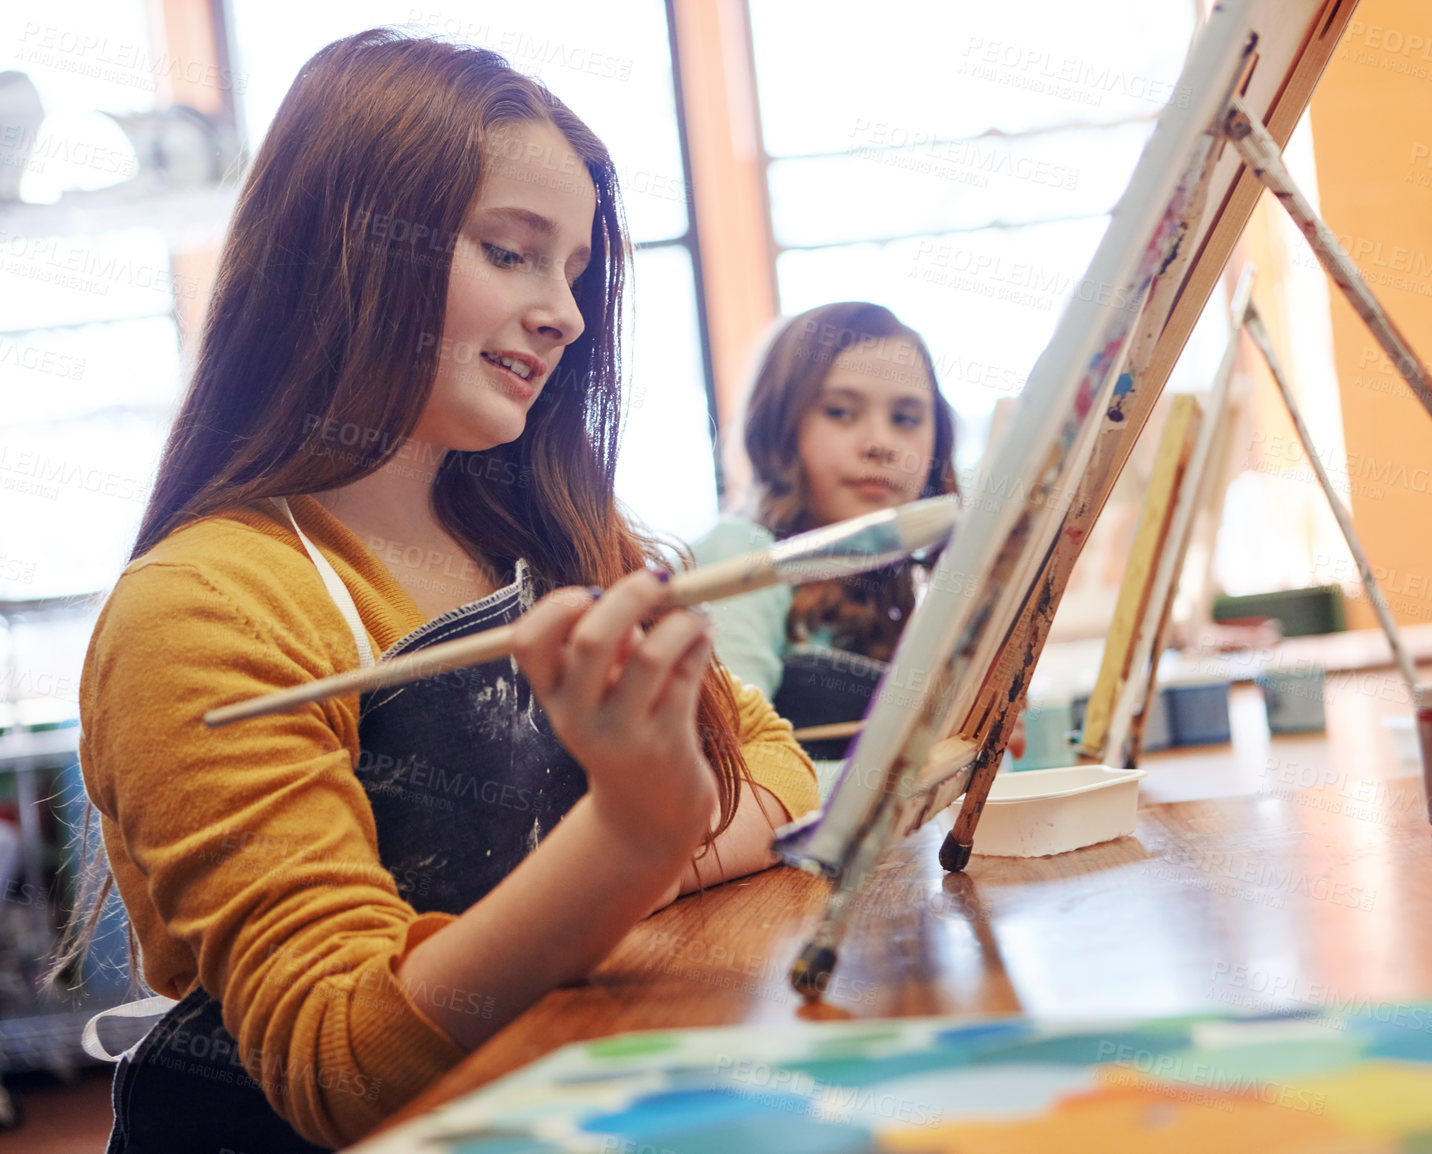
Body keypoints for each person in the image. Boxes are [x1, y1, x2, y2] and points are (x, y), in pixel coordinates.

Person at [57, 29, 816, 1153]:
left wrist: (634, 863)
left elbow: (779, 768)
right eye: (511, 253)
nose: (564, 311)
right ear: (350, 250)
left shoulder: (561, 537)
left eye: (573, 271)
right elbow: (341, 1063)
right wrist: (624, 838)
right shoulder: (202, 606)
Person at [692, 303, 959, 764]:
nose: (880, 443)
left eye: (906, 419)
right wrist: (915, 775)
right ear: (780, 427)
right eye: (840, 411)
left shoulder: (892, 589)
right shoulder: (741, 552)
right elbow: (731, 772)